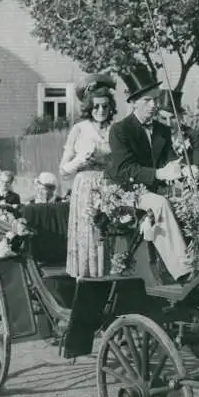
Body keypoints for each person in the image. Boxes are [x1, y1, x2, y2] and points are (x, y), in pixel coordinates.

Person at [106, 75, 196, 283]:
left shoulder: (162, 130)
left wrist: (184, 170)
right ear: (134, 102)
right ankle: (183, 270)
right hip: (125, 193)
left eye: (156, 99)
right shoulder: (120, 130)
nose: (154, 105)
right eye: (147, 100)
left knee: (191, 203)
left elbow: (170, 160)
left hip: (153, 190)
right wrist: (158, 173)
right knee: (159, 204)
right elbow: (124, 169)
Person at [59, 73, 117, 278]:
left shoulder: (115, 130)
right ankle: (86, 281)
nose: (101, 110)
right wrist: (80, 160)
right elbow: (63, 170)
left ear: (111, 107)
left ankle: (109, 281)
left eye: (105, 106)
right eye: (96, 106)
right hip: (84, 188)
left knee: (108, 233)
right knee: (88, 233)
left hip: (109, 187)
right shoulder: (79, 129)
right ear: (89, 107)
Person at [158, 90, 199, 184]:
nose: (168, 123)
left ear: (181, 116)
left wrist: (193, 172)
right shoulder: (154, 138)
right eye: (163, 118)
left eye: (173, 118)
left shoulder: (196, 137)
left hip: (188, 192)